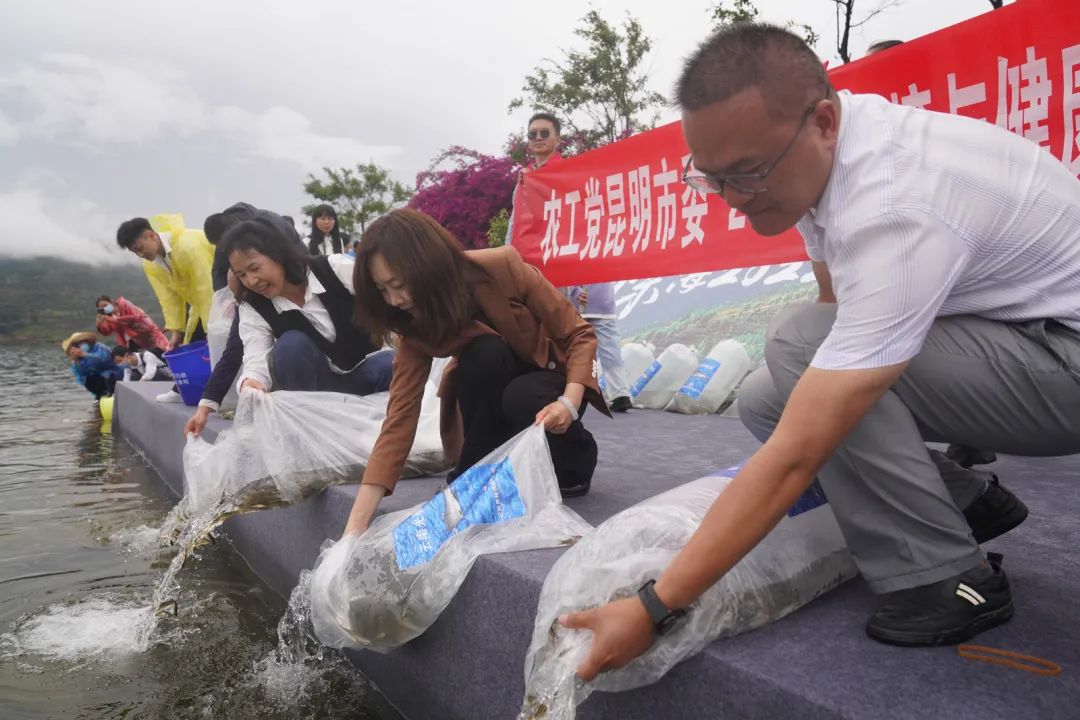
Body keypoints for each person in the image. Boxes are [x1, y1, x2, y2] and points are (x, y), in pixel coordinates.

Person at [564, 23, 1080, 677]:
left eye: (747, 174)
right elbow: (832, 310)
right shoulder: (827, 151)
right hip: (1025, 343)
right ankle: (966, 502)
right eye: (712, 178)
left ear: (824, 122)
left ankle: (948, 581)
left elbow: (798, 454)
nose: (731, 202)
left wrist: (655, 605)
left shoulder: (889, 200)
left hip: (1067, 360)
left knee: (800, 350)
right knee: (768, 393)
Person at [341, 208, 609, 538]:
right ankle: (474, 477)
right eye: (382, 290)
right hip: (491, 398)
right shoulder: (413, 322)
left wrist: (569, 403)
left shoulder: (501, 267)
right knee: (483, 353)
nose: (394, 300)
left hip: (549, 386)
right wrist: (354, 529)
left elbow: (579, 334)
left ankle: (576, 457)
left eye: (398, 284)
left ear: (427, 265)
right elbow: (400, 416)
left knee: (523, 397)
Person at [220, 212, 393, 396]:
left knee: (390, 363)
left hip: (368, 373)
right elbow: (255, 356)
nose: (251, 281)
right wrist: (251, 381)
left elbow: (387, 301)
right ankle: (308, 419)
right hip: (318, 392)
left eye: (254, 268)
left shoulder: (334, 269)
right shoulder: (254, 307)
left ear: (277, 255)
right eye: (242, 275)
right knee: (291, 345)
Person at [115, 215, 214, 403]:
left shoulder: (188, 245)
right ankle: (184, 389)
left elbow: (206, 288)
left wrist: (211, 329)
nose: (140, 255)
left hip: (225, 294)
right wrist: (176, 330)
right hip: (201, 304)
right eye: (135, 253)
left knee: (218, 342)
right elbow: (169, 299)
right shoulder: (152, 265)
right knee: (189, 344)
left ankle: (218, 393)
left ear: (151, 235)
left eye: (140, 249)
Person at [565, 285, 631, 412]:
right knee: (611, 351)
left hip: (578, 300)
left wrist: (575, 291)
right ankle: (620, 393)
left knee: (573, 349)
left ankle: (571, 391)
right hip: (603, 301)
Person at [505, 112, 565, 246]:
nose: (538, 138)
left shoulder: (570, 173)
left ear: (558, 139)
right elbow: (514, 224)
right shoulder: (523, 179)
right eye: (533, 134)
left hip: (560, 251)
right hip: (527, 257)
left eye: (544, 133)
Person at [94, 295, 169, 355]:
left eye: (105, 305)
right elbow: (107, 331)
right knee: (142, 360)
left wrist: (112, 319)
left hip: (147, 332)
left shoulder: (124, 304)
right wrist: (99, 324)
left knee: (163, 351)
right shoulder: (109, 317)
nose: (104, 308)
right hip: (133, 341)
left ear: (111, 302)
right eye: (102, 308)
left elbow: (134, 318)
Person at [62, 332, 122, 399]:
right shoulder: (79, 358)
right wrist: (76, 362)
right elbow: (82, 374)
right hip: (99, 380)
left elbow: (104, 359)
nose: (82, 345)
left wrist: (85, 354)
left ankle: (111, 394)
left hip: (114, 375)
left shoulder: (99, 347)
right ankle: (101, 395)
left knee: (108, 376)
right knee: (88, 379)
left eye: (83, 342)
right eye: (79, 344)